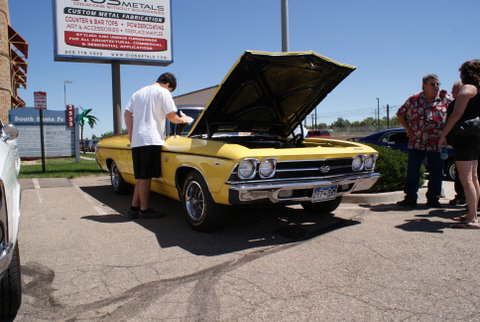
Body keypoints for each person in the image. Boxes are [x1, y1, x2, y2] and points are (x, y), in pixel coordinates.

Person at [124, 72, 192, 219]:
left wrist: (131, 135)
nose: (170, 92)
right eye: (171, 90)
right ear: (168, 84)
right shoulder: (163, 92)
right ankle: (145, 210)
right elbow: (172, 117)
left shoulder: (138, 93)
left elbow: (127, 114)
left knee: (141, 176)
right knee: (145, 177)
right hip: (152, 138)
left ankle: (134, 208)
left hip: (138, 140)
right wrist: (184, 120)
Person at [396, 74, 451, 208]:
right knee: (413, 171)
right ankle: (410, 199)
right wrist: (408, 130)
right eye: (432, 84)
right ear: (424, 85)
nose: (436, 87)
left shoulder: (446, 100)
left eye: (438, 84)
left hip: (436, 144)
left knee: (437, 172)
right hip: (417, 142)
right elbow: (400, 113)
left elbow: (454, 116)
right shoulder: (413, 100)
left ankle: (433, 199)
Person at [439, 60, 480, 228]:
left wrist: (443, 134)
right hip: (475, 137)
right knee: (474, 177)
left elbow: (456, 114)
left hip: (465, 138)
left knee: (466, 179)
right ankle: (472, 213)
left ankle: (472, 219)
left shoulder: (468, 88)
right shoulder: (478, 89)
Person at [447, 81, 468, 206]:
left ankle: (462, 197)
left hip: (463, 143)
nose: (452, 93)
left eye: (455, 90)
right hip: (466, 142)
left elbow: (451, 122)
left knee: (463, 174)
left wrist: (446, 138)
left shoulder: (455, 105)